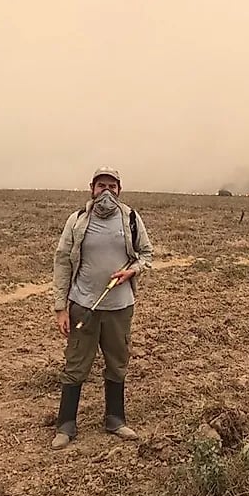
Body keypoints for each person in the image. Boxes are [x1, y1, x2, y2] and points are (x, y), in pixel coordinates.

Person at [51, 166, 153, 450]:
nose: (106, 192)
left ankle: (115, 419)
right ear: (91, 189)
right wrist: (61, 308)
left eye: (112, 186)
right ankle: (66, 425)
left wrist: (131, 272)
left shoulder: (131, 219)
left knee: (117, 362)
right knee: (76, 364)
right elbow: (62, 262)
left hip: (120, 307)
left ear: (120, 189)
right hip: (83, 305)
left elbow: (146, 254)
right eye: (101, 186)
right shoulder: (77, 220)